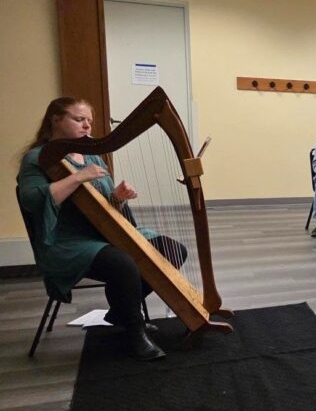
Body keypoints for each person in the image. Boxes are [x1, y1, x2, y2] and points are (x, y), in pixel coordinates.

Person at [17, 97, 189, 361]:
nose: (87, 125)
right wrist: (78, 177)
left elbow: (104, 206)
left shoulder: (91, 155)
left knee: (173, 250)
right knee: (123, 263)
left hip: (104, 232)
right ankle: (134, 331)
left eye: (89, 120)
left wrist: (118, 197)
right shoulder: (37, 158)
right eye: (79, 119)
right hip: (67, 241)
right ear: (55, 120)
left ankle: (120, 311)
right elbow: (32, 201)